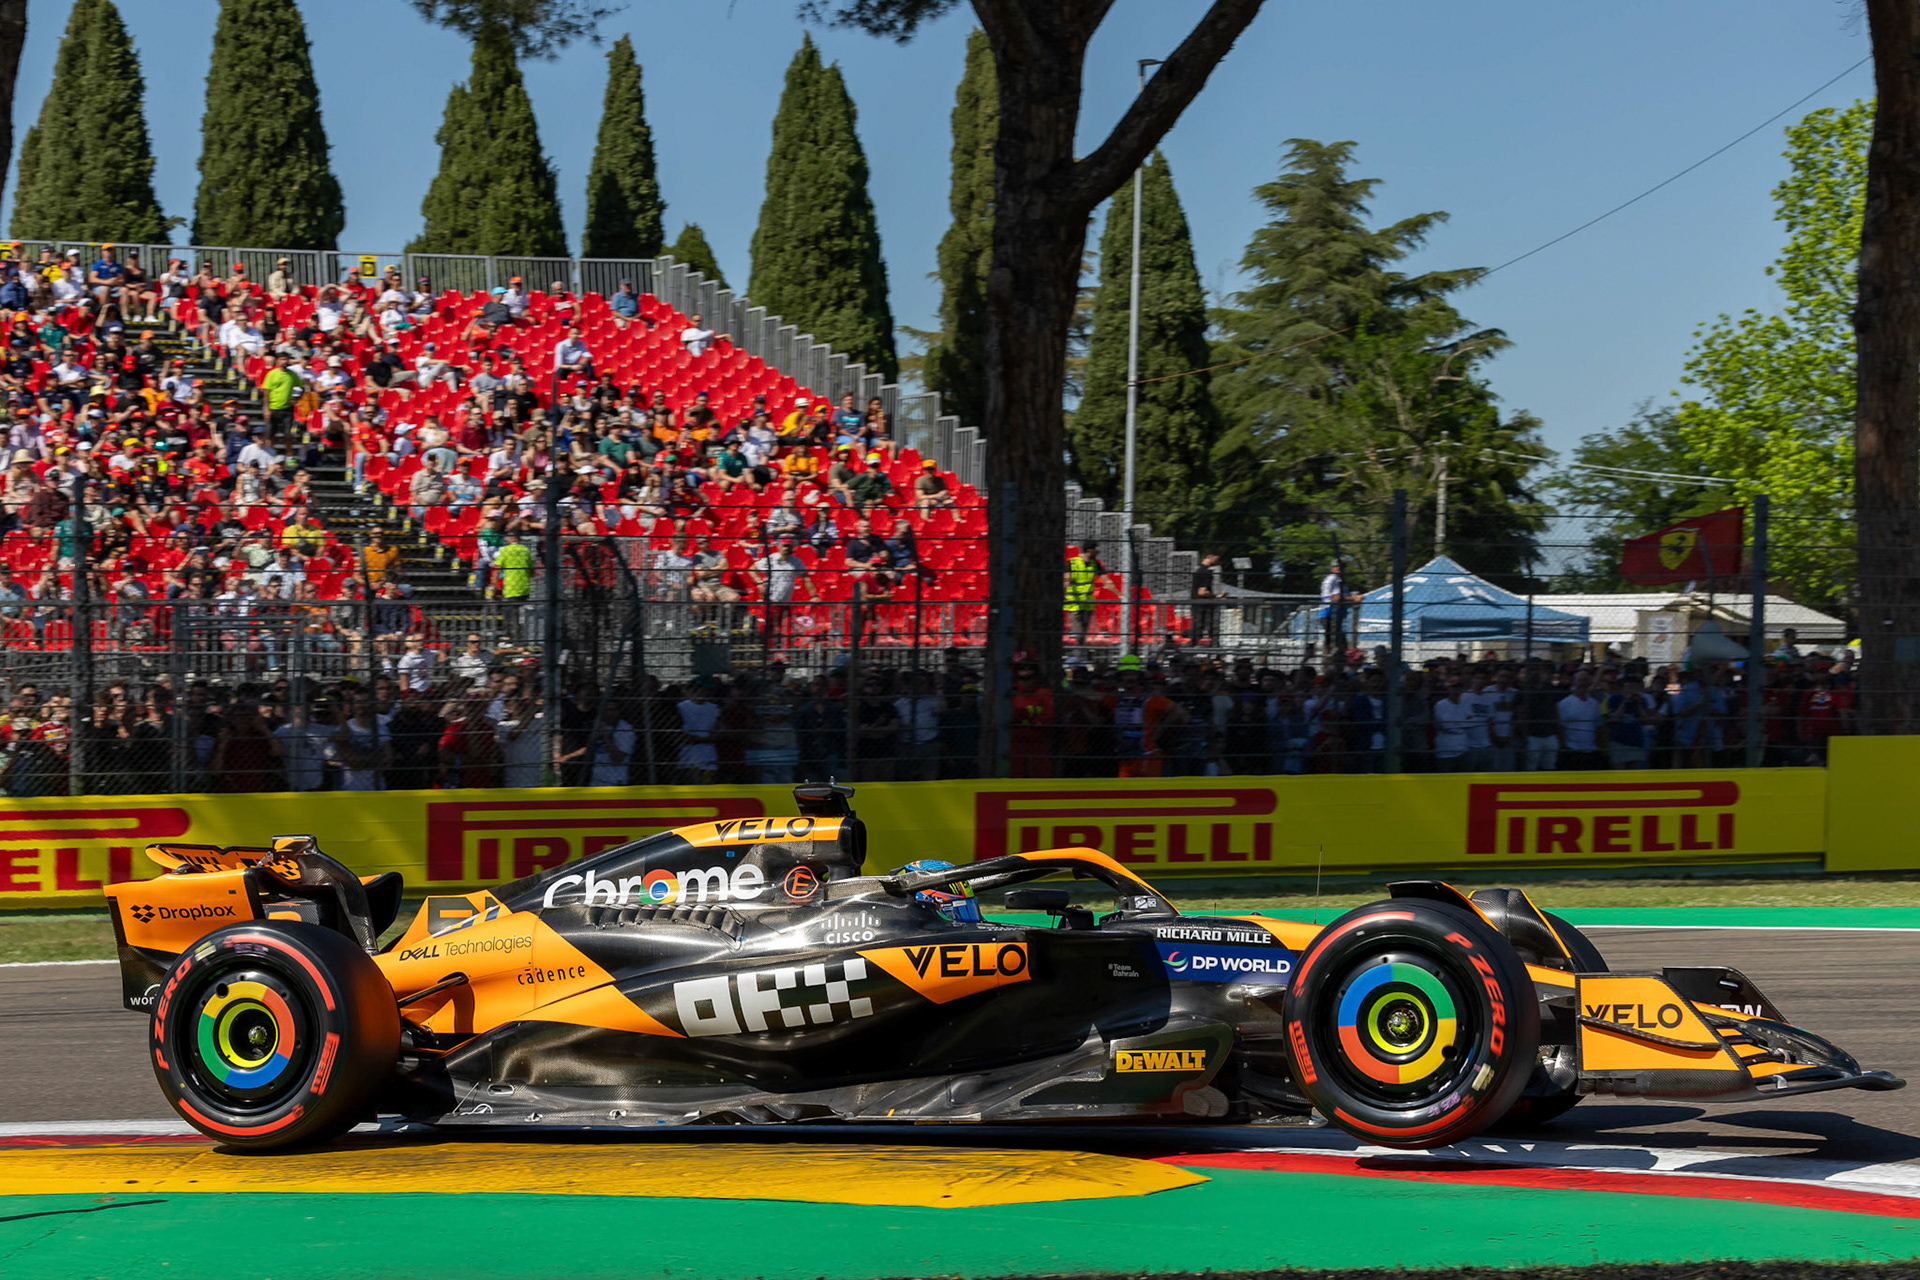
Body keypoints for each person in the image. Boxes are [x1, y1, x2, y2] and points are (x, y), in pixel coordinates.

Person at [1556, 671, 1605, 770]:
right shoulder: (1564, 703)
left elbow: (1599, 726)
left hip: (1591, 751)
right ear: (1574, 682)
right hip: (1572, 750)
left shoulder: (1595, 704)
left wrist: (1599, 746)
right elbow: (1559, 727)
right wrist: (1564, 747)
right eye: (1580, 680)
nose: (1583, 683)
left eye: (1585, 681)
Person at [1064, 541, 1102, 649]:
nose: (1097, 552)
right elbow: (1066, 581)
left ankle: (1081, 656)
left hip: (1087, 604)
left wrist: (1120, 595)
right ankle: (1079, 657)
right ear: (1090, 550)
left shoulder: (1095, 563)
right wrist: (1064, 595)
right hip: (1074, 604)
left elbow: (1106, 580)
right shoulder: (1072, 563)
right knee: (1079, 633)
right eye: (1095, 549)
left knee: (1083, 634)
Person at [1191, 550, 1221, 646]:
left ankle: (1195, 646)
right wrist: (1215, 596)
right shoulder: (1205, 572)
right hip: (1203, 605)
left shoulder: (1198, 571)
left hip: (1195, 604)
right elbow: (1202, 592)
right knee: (1208, 627)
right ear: (1211, 556)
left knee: (1197, 627)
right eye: (1217, 558)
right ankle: (1210, 648)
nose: (1217, 561)